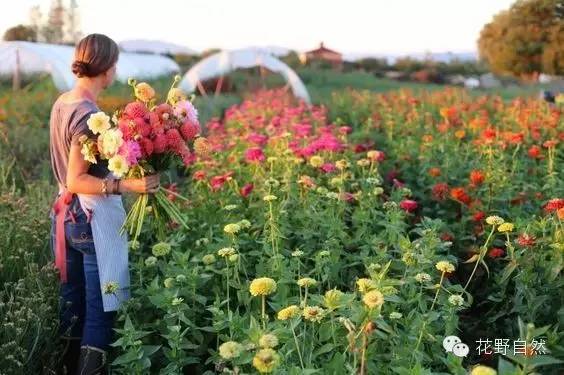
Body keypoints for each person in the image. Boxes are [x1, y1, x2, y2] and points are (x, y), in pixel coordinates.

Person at [48, 33, 160, 375]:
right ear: (109, 69)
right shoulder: (87, 115)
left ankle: (62, 368)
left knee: (73, 310)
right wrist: (128, 184)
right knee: (102, 310)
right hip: (88, 219)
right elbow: (76, 179)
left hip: (66, 221)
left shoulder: (62, 102)